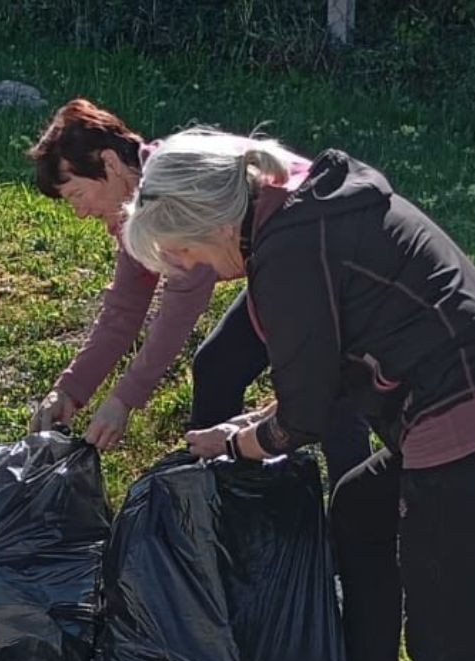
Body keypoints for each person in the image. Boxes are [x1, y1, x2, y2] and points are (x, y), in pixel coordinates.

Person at [122, 129, 475, 661]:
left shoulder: (288, 249)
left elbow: (303, 420)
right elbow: (322, 376)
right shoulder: (306, 205)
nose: (191, 265)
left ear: (210, 219)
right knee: (360, 508)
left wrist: (235, 444)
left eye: (186, 249)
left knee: (445, 639)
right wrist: (256, 422)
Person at [26, 99, 370, 483]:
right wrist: (70, 391)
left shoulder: (172, 192)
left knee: (334, 394)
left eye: (76, 194)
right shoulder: (141, 204)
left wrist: (123, 400)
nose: (80, 212)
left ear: (108, 163)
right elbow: (125, 308)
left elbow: (179, 310)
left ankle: (358, 527)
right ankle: (217, 499)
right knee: (218, 367)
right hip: (277, 265)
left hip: (325, 258)